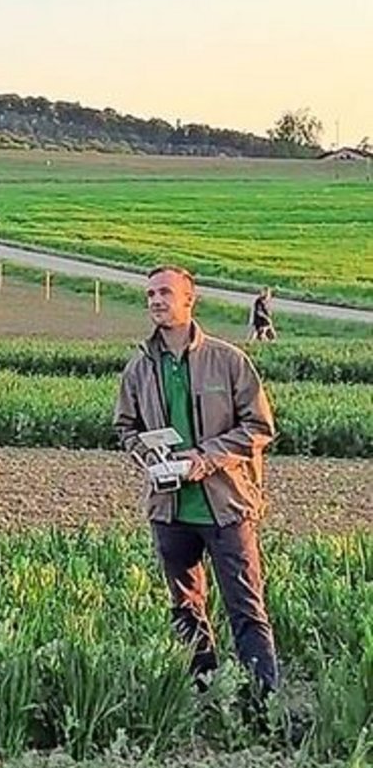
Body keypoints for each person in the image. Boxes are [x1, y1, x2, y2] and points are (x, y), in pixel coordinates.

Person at [116, 264, 280, 700]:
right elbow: (125, 428)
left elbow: (259, 428)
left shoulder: (228, 360)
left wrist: (203, 460)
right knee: (185, 609)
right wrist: (147, 454)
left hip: (226, 507)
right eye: (150, 294)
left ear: (190, 300)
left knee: (246, 609)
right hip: (169, 510)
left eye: (165, 293)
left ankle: (262, 704)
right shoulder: (139, 368)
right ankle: (202, 691)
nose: (155, 300)